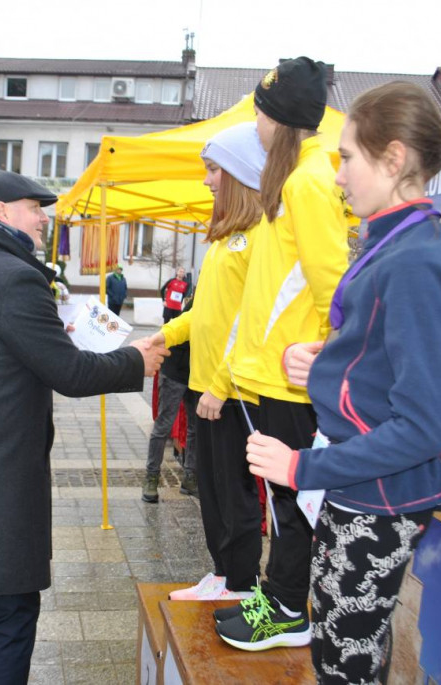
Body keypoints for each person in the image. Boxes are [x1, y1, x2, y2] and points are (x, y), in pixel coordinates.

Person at [244, 81, 441, 682]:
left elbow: (422, 426)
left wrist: (300, 469)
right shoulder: (396, 246)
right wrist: (327, 359)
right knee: (340, 651)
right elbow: (387, 358)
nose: (339, 176)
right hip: (362, 490)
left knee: (345, 663)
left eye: (347, 157)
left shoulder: (416, 260)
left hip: (376, 495)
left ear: (393, 159)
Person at [0, 170, 168, 684]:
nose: (44, 217)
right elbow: (69, 374)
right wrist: (134, 360)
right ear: (2, 212)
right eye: (34, 207)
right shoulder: (15, 278)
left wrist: (52, 334)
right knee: (9, 616)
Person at [203, 57, 350, 652]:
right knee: (281, 500)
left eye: (262, 114)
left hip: (294, 379)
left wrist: (329, 355)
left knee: (292, 505)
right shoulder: (289, 181)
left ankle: (289, 610)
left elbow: (334, 283)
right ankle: (279, 597)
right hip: (271, 374)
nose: (256, 124)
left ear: (282, 121)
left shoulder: (308, 181)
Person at [151, 122, 269, 602]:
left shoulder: (261, 236)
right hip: (208, 385)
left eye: (214, 169)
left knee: (235, 492)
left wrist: (220, 384)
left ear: (239, 172)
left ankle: (241, 585)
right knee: (212, 491)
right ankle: (222, 574)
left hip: (234, 390)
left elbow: (252, 319)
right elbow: (209, 313)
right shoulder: (225, 237)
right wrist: (165, 334)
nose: (206, 180)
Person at [143, 295, 196, 503]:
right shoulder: (202, 298)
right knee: (163, 426)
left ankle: (191, 478)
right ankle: (151, 478)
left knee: (195, 428)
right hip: (175, 370)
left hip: (197, 372)